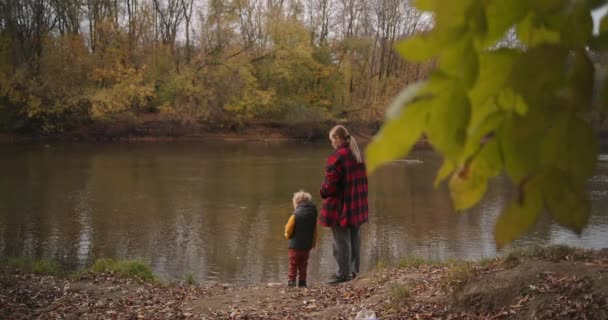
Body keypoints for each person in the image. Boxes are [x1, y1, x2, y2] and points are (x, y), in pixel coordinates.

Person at [319, 125, 369, 284]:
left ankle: (342, 274)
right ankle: (353, 272)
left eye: (332, 140)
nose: (332, 144)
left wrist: (323, 191)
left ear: (338, 139)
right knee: (355, 238)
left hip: (341, 206)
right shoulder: (357, 154)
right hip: (356, 204)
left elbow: (330, 185)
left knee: (341, 241)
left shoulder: (338, 156)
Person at [284, 190, 318, 287]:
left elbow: (288, 229)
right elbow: (314, 231)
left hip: (294, 246)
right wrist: (313, 243)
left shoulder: (295, 216)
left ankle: (291, 282)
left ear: (296, 203)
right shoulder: (312, 215)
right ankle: (302, 282)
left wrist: (287, 235)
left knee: (293, 264)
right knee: (303, 264)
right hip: (306, 247)